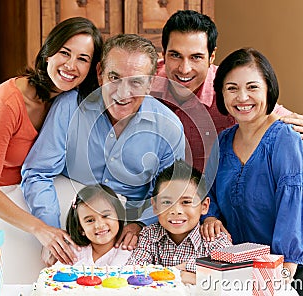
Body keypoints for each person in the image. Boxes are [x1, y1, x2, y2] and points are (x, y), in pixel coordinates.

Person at [0, 17, 103, 266]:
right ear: (48, 53)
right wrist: (41, 229)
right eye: (65, 53)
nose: (71, 65)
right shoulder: (5, 104)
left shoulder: (68, 103)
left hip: (18, 219)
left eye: (82, 58)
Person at [21, 34, 185, 266]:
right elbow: (37, 172)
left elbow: (171, 192)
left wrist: (140, 223)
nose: (122, 93)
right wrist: (53, 234)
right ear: (99, 74)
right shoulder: (69, 108)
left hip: (132, 239)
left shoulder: (169, 128)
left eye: (136, 82)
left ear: (150, 84)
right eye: (114, 78)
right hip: (73, 228)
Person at [200, 48, 303, 296]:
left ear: (269, 90)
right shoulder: (223, 142)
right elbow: (210, 191)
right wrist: (211, 217)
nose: (242, 97)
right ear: (221, 94)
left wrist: (284, 273)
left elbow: (297, 208)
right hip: (260, 266)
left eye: (252, 87)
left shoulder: (288, 137)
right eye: (232, 88)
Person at [153, 10, 303, 172]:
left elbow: (292, 122)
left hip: (213, 197)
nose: (184, 69)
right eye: (175, 55)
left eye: (196, 57)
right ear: (163, 53)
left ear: (211, 57)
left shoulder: (230, 88)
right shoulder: (145, 82)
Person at [126, 159, 231, 284]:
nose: (176, 211)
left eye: (186, 202)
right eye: (166, 202)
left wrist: (185, 268)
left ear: (204, 206)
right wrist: (183, 275)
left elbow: (229, 277)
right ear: (155, 207)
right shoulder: (149, 235)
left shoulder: (215, 239)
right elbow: (133, 272)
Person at [65, 184, 131, 266]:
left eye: (105, 216)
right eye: (90, 220)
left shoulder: (127, 249)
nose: (99, 225)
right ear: (81, 229)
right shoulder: (74, 251)